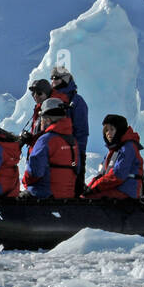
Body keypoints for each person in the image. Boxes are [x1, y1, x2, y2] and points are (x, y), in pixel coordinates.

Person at [22, 98, 78, 199]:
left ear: (47, 120)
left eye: (41, 119)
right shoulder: (73, 142)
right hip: (67, 197)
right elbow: (77, 169)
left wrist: (25, 181)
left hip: (43, 195)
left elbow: (35, 172)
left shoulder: (45, 140)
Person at [84, 114, 144, 199]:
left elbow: (118, 175)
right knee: (85, 196)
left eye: (112, 129)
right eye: (106, 130)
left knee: (90, 198)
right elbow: (100, 175)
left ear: (120, 130)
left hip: (127, 192)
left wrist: (94, 189)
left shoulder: (128, 148)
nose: (108, 133)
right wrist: (88, 188)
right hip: (114, 190)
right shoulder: (112, 152)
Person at [50, 66, 89, 195]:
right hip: (55, 150)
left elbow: (81, 130)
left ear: (65, 79)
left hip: (72, 150)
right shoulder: (51, 99)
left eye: (56, 78)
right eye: (51, 78)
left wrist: (78, 152)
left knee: (74, 184)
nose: (52, 81)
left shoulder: (76, 101)